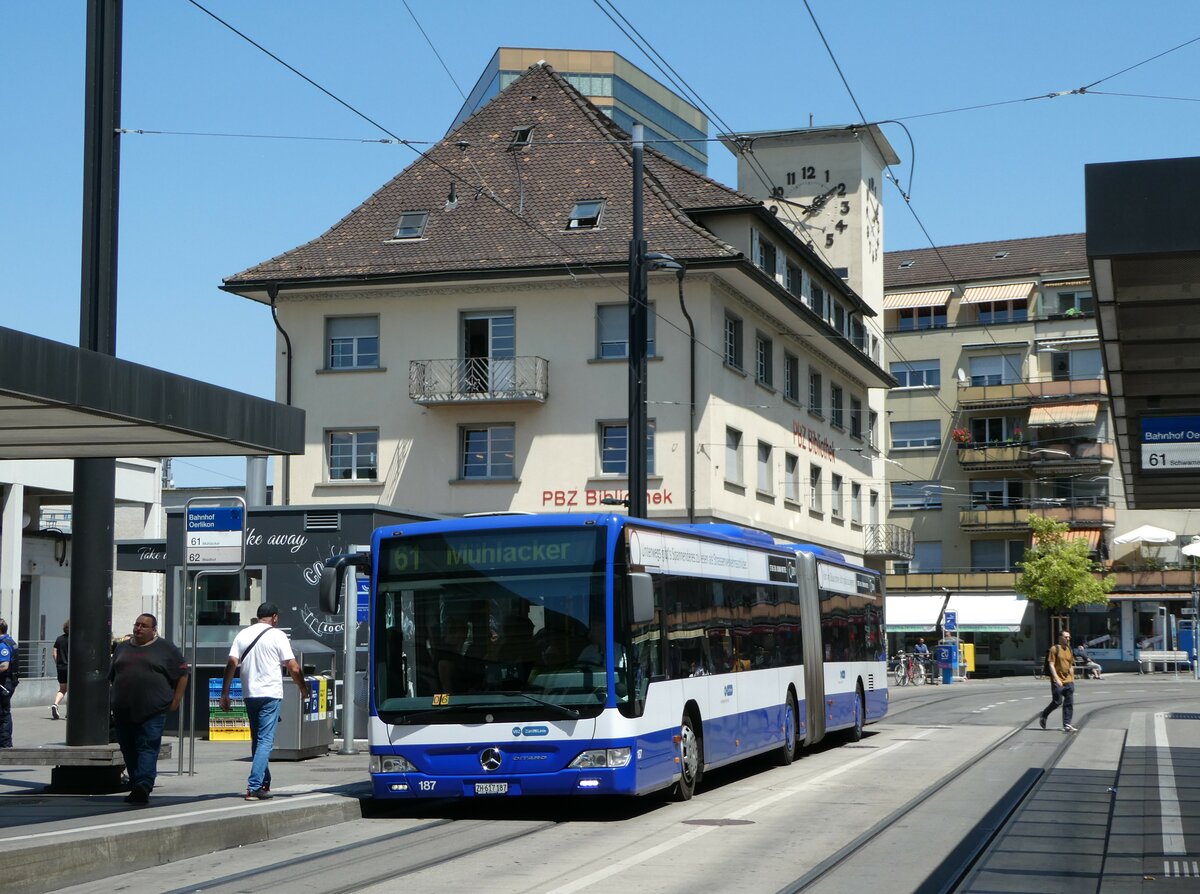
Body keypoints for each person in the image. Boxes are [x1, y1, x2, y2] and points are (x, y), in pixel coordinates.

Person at [220, 603, 310, 801]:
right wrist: (303, 688)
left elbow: (231, 664)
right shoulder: (277, 636)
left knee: (258, 739)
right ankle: (253, 787)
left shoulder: (242, 635)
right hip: (270, 693)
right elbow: (293, 667)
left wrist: (225, 693)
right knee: (265, 741)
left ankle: (263, 782)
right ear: (275, 617)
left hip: (250, 693)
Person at [108, 614, 189, 805]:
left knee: (147, 747)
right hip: (123, 710)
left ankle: (143, 785)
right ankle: (137, 783)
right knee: (128, 749)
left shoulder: (166, 648)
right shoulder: (122, 647)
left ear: (154, 629)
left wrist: (176, 700)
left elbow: (183, 674)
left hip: (152, 710)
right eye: (136, 624)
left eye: (144, 626)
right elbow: (113, 676)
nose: (138, 628)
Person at [1039, 630, 1077, 732]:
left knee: (1069, 702)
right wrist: (1056, 679)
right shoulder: (1054, 649)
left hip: (1068, 680)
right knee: (1057, 701)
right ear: (1060, 638)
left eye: (1069, 637)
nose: (1067, 639)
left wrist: (1072, 679)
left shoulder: (1069, 649)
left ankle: (1067, 724)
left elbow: (1070, 665)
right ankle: (1044, 714)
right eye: (1065, 637)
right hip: (1057, 680)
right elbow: (1051, 664)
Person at [0, 624, 15, 748]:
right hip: (8, 682)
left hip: (4, 683)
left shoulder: (3, 644)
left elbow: (4, 665)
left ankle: (5, 743)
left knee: (3, 713)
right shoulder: (10, 641)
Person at [51, 619, 69, 720]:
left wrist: (58, 664)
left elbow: (54, 654)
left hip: (61, 667)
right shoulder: (75, 639)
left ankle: (55, 704)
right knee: (71, 691)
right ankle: (69, 712)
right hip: (72, 669)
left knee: (62, 689)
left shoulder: (59, 639)